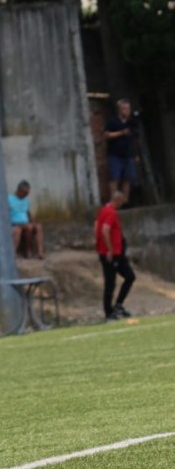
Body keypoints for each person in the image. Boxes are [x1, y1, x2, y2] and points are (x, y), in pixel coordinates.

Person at [95, 190, 136, 321]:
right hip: (112, 254)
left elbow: (96, 226)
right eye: (121, 202)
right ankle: (108, 313)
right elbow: (105, 230)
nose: (121, 205)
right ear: (117, 200)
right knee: (110, 283)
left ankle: (118, 305)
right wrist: (110, 250)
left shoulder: (103, 210)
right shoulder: (110, 212)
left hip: (116, 253)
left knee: (129, 276)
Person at [104, 98, 139, 202]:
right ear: (119, 110)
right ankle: (114, 202)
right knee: (115, 178)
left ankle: (125, 201)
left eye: (128, 108)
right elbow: (106, 135)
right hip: (115, 155)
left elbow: (136, 136)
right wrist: (121, 133)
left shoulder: (132, 122)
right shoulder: (113, 121)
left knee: (127, 179)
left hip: (128, 154)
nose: (127, 111)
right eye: (124, 109)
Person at [8, 181, 45, 259]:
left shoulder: (26, 200)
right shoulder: (9, 199)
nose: (26, 195)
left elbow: (28, 213)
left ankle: (40, 252)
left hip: (26, 223)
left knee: (38, 226)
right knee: (29, 227)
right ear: (19, 191)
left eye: (27, 193)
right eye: (25, 193)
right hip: (15, 223)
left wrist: (34, 221)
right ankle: (27, 250)